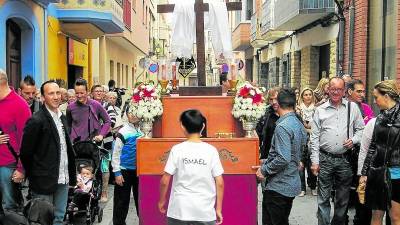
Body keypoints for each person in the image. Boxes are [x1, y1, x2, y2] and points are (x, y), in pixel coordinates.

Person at [20, 80, 76, 225]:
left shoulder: (62, 117)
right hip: (44, 180)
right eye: (51, 93)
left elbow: (65, 147)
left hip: (63, 177)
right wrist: (36, 173)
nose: (56, 96)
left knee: (59, 217)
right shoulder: (36, 120)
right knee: (43, 219)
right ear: (43, 97)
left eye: (58, 92)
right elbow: (26, 153)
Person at [310, 77, 365, 225]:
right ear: (328, 89)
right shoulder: (320, 110)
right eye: (333, 89)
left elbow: (361, 130)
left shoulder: (352, 108)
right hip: (325, 158)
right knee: (323, 198)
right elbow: (314, 138)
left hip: (344, 159)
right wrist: (315, 162)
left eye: (339, 89)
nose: (335, 92)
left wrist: (353, 140)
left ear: (344, 91)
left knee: (343, 199)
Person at [158, 109, 224, 225]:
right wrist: (218, 209)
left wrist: (162, 201)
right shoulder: (211, 151)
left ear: (182, 127)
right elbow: (219, 182)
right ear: (203, 126)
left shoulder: (177, 149)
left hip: (179, 210)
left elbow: (165, 180)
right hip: (205, 212)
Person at [256, 88, 307, 225]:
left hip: (279, 185)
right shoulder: (297, 123)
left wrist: (264, 170)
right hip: (290, 182)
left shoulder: (283, 126)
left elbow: (283, 158)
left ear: (278, 103)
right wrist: (266, 161)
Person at [359, 80, 400, 225]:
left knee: (395, 217)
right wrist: (364, 173)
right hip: (377, 172)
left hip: (397, 174)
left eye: (376, 97)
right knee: (376, 216)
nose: (374, 102)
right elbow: (372, 147)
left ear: (387, 96)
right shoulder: (378, 119)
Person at [0, 69, 31, 211]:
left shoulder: (20, 105)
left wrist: (21, 168)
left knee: (10, 208)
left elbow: (27, 142)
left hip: (9, 165)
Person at [112, 106, 143, 225]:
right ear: (126, 114)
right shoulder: (123, 132)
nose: (132, 115)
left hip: (140, 171)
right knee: (121, 201)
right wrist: (117, 173)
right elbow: (116, 154)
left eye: (135, 112)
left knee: (141, 200)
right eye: (130, 112)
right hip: (124, 171)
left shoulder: (145, 130)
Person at [66, 78, 111, 143]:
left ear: (87, 92)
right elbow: (68, 126)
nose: (79, 96)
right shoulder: (70, 107)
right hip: (76, 145)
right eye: (77, 93)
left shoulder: (95, 104)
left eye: (82, 93)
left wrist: (101, 135)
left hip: (92, 144)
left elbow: (108, 121)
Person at [297, 87, 317, 197]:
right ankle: (302, 188)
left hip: (313, 139)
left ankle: (313, 186)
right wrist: (308, 128)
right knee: (301, 162)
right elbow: (300, 125)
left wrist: (308, 128)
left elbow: (316, 126)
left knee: (312, 162)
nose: (308, 96)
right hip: (301, 139)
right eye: (305, 94)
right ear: (302, 97)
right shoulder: (298, 109)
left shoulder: (317, 109)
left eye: (310, 94)